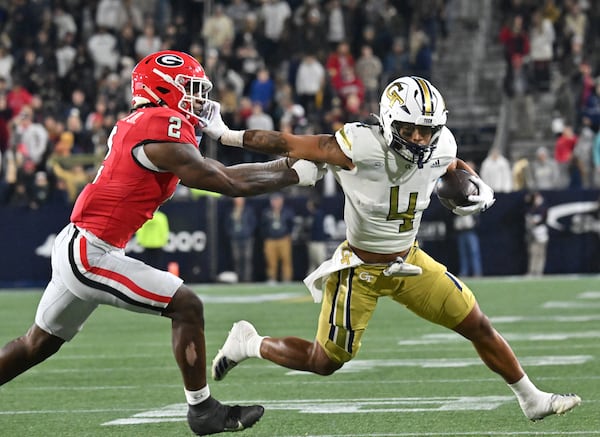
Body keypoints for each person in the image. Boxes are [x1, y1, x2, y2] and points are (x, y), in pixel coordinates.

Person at [203, 75, 581, 422]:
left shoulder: (441, 143)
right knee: (325, 361)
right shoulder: (359, 145)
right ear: (387, 121)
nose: (419, 138)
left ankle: (531, 399)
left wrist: (477, 184)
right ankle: (248, 342)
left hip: (409, 261)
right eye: (409, 128)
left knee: (477, 323)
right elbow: (288, 143)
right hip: (359, 270)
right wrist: (226, 135)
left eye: (427, 130)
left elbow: (450, 164)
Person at [0, 50, 324, 437]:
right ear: (161, 88)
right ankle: (202, 410)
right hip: (90, 251)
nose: (197, 99)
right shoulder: (160, 123)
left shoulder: (148, 122)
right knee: (186, 305)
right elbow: (224, 180)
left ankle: (202, 411)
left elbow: (216, 172)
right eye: (189, 89)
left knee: (37, 344)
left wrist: (284, 168)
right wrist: (290, 174)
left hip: (86, 245)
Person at [260, 192, 295, 284]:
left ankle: (287, 278)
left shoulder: (287, 212)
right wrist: (266, 236)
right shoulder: (266, 212)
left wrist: (289, 235)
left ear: (282, 201)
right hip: (270, 240)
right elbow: (262, 226)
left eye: (277, 200)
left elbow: (291, 224)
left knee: (286, 260)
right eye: (274, 200)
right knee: (271, 261)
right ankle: (272, 278)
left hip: (283, 239)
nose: (275, 202)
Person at [226, 197, 257, 283]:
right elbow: (227, 224)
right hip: (235, 238)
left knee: (247, 259)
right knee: (237, 259)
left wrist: (248, 232)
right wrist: (232, 233)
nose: (238, 201)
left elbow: (253, 223)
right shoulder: (231, 211)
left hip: (247, 238)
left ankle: (247, 279)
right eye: (237, 199)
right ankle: (238, 278)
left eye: (240, 199)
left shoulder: (248, 210)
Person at [524, 191, 549, 276]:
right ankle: (532, 271)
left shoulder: (543, 208)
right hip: (532, 234)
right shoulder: (530, 208)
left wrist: (535, 222)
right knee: (533, 252)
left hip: (541, 234)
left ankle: (539, 271)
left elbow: (543, 219)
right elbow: (528, 219)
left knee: (541, 253)